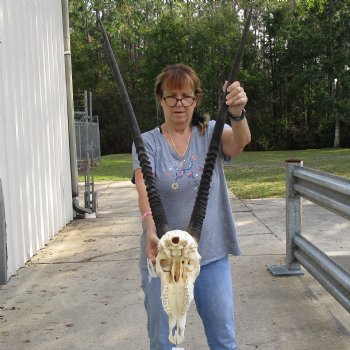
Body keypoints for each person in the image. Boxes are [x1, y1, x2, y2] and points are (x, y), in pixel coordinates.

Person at [132, 63, 251, 350]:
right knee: (163, 341)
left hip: (210, 253)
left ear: (196, 99)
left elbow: (239, 143)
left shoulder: (210, 132)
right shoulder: (147, 142)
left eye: (186, 96)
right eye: (171, 96)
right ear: (160, 98)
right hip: (163, 258)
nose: (179, 104)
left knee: (224, 340)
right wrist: (151, 229)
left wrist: (237, 113)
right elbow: (143, 189)